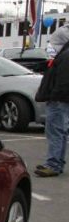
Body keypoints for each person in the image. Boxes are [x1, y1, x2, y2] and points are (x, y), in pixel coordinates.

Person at [35, 25, 69, 177]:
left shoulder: (65, 56)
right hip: (61, 99)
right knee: (60, 131)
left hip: (58, 99)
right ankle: (56, 163)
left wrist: (54, 95)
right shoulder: (64, 55)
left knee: (55, 131)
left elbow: (63, 80)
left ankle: (53, 164)